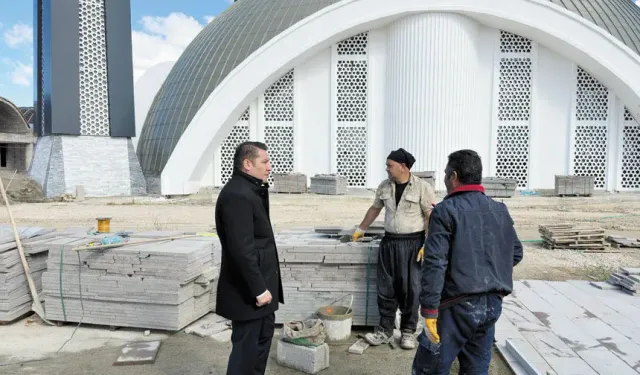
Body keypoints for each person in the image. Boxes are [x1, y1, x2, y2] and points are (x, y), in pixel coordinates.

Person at [412, 149, 523, 374]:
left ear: (453, 176)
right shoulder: (499, 209)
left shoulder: (445, 211)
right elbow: (516, 253)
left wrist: (430, 310)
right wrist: (488, 274)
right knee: (476, 368)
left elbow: (435, 263)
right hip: (491, 306)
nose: (444, 179)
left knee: (429, 368)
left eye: (445, 175)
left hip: (455, 308)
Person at [353, 148, 437, 350]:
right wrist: (361, 229)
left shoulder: (422, 187)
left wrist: (428, 242)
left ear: (403, 166)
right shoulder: (384, 186)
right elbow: (375, 208)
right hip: (389, 243)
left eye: (390, 165)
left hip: (413, 244)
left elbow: (430, 215)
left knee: (411, 289)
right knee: (386, 288)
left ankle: (408, 331)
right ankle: (385, 330)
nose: (387, 169)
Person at [214, 141, 284, 375]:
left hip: (261, 288)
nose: (269, 167)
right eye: (264, 162)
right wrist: (259, 290)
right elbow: (241, 250)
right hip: (249, 293)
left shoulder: (251, 190)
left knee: (260, 344)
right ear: (247, 164)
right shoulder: (238, 195)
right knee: (246, 352)